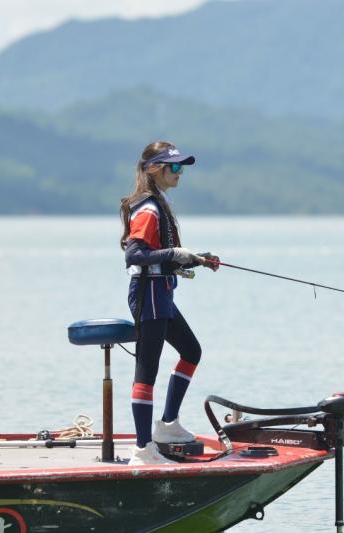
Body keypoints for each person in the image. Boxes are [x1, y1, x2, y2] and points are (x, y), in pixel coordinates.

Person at [119, 141, 219, 465]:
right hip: (148, 293)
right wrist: (175, 254)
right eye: (173, 167)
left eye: (181, 167)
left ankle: (167, 425)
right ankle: (142, 449)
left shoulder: (158, 204)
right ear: (154, 169)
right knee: (146, 371)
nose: (179, 173)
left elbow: (160, 256)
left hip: (160, 291)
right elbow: (134, 255)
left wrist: (198, 259)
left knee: (191, 351)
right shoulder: (148, 208)